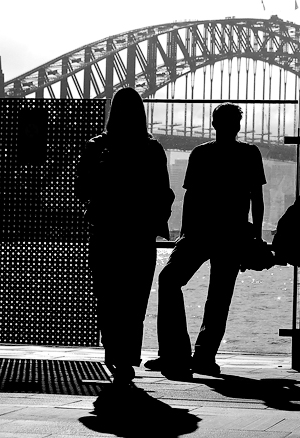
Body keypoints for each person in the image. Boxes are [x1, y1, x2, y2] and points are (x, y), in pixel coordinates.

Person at [145, 103, 266, 380]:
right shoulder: (249, 153)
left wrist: (184, 233)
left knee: (169, 279)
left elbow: (192, 196)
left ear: (214, 124)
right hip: (232, 233)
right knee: (218, 297)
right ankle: (203, 357)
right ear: (238, 125)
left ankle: (174, 353)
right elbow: (256, 198)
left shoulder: (201, 153)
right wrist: (256, 235)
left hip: (199, 232)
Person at [76, 87, 174, 387]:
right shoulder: (152, 149)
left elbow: (81, 190)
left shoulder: (95, 147)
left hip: (105, 232)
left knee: (107, 294)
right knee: (134, 298)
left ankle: (113, 349)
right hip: (140, 236)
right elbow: (164, 193)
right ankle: (127, 355)